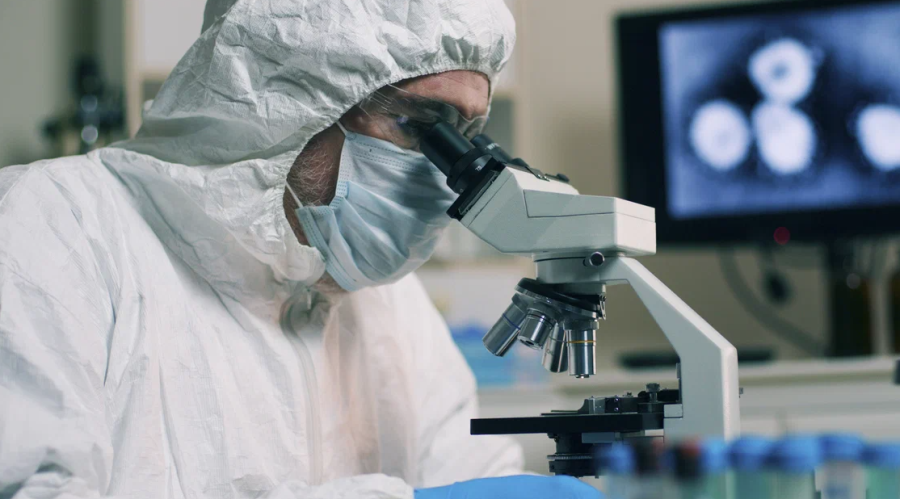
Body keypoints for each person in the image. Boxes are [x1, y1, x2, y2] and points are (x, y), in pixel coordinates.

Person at [0, 0, 602, 498]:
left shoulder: (392, 302)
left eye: (466, 135)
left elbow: (465, 470)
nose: (445, 175)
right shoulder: (56, 228)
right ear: (291, 100)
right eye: (421, 125)